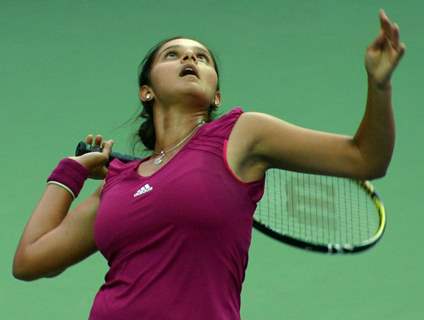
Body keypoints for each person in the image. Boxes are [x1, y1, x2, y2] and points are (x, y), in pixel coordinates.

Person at [12, 9, 405, 320]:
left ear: (216, 95)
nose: (189, 57)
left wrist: (379, 84)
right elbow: (29, 261)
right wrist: (72, 170)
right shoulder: (117, 183)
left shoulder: (242, 135)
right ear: (146, 91)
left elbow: (365, 158)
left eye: (202, 57)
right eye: (174, 54)